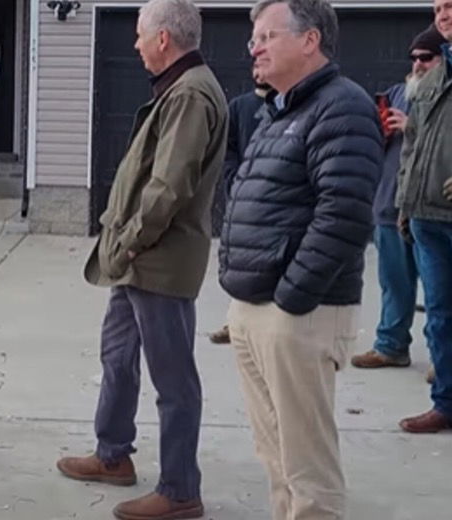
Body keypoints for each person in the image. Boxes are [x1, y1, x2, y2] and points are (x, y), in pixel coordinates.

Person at [56, 1, 228, 518]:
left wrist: (130, 240)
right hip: (137, 261)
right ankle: (113, 455)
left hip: (158, 260)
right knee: (118, 357)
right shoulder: (176, 90)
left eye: (139, 35)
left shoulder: (192, 95)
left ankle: (180, 490)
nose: (133, 45)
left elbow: (169, 186)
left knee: (173, 379)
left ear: (163, 40)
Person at [220, 0, 382, 518]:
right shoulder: (279, 108)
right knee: (276, 456)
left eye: (267, 36)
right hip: (253, 307)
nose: (255, 48)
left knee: (307, 465)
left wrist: (292, 297)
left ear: (310, 40)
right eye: (254, 39)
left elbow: (346, 213)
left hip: (298, 312)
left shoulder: (343, 106)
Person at [350, 25, 444, 379]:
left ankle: (442, 359)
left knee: (438, 293)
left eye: (427, 57)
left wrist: (413, 128)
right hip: (390, 203)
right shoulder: (396, 93)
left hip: (430, 208)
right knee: (394, 283)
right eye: (414, 57)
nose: (418, 64)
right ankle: (391, 345)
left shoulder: (443, 101)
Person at [393, 0, 452, 434]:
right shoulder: (434, 72)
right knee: (439, 315)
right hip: (427, 215)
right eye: (438, 6)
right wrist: (404, 203)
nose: (444, 13)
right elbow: (412, 141)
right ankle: (446, 404)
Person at [209, 67, 271, 344]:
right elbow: (228, 148)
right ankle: (235, 323)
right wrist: (234, 179)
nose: (260, 71)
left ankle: (267, 323)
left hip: (276, 201)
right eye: (256, 67)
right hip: (243, 200)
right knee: (240, 263)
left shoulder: (289, 104)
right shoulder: (239, 106)